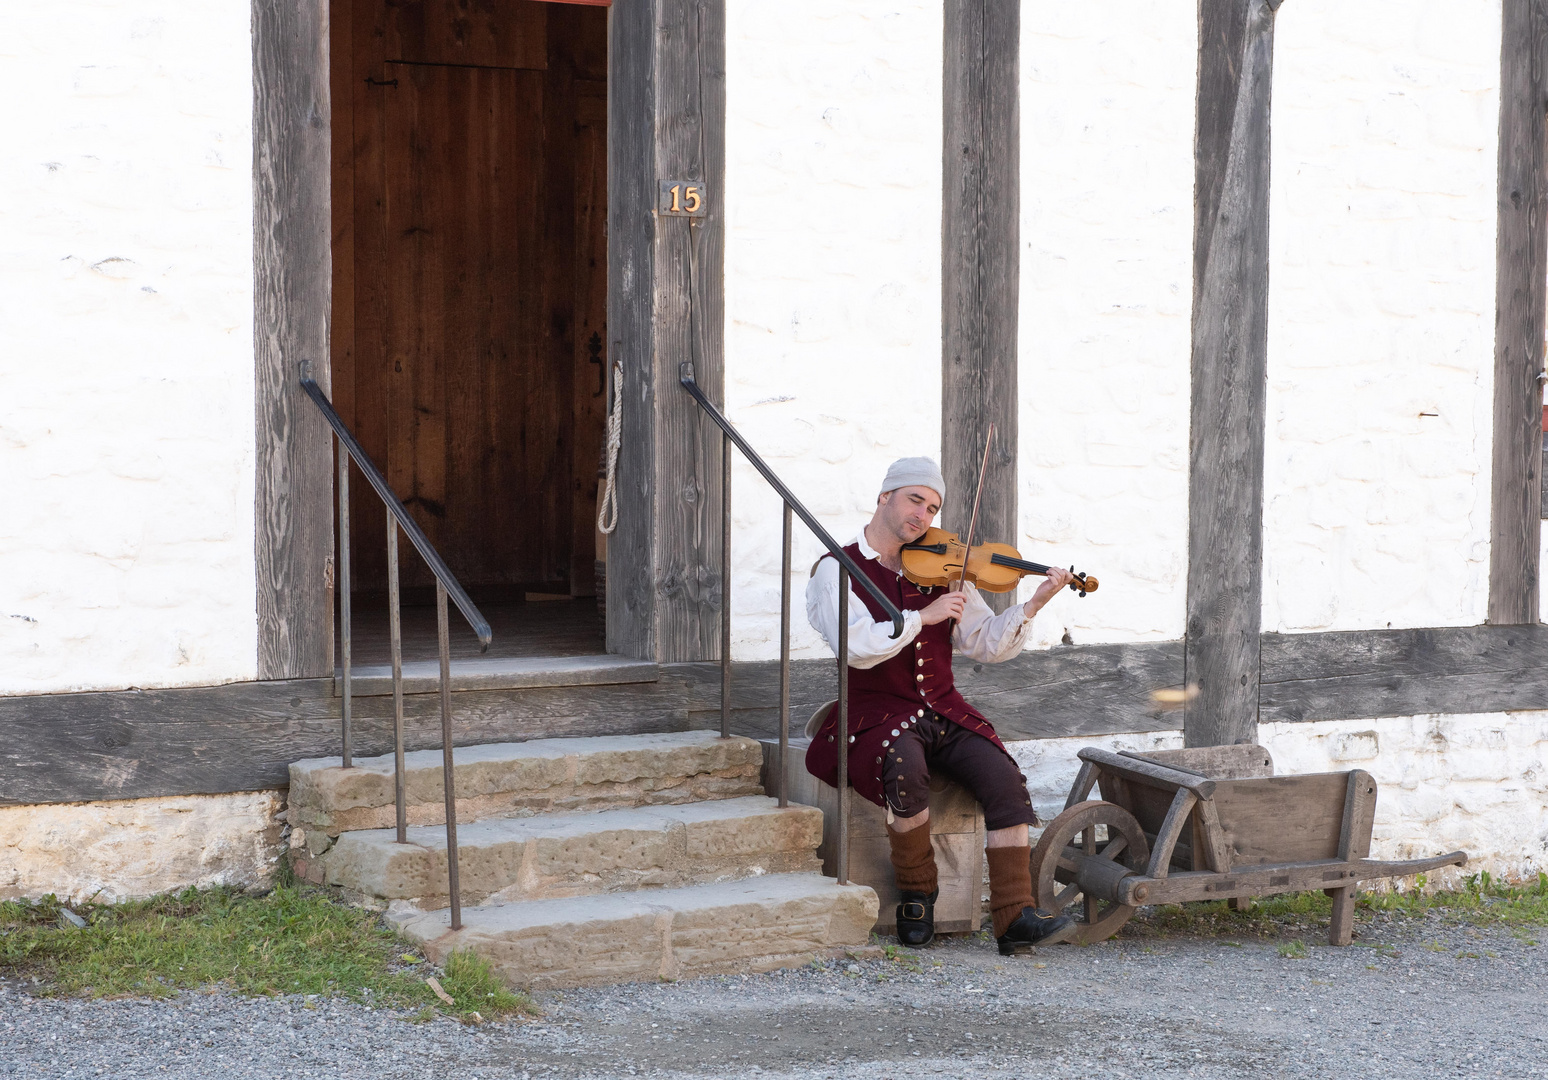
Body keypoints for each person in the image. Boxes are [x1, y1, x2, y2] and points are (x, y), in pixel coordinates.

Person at [804, 456, 1077, 953]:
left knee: (1004, 777)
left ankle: (1014, 917)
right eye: (915, 500)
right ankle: (917, 893)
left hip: (942, 709)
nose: (923, 516)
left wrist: (1034, 602)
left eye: (932, 507)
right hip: (877, 713)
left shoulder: (942, 570)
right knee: (903, 767)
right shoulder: (836, 569)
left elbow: (984, 642)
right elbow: (856, 646)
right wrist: (921, 616)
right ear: (885, 496)